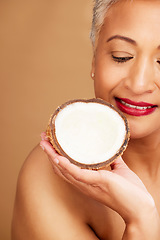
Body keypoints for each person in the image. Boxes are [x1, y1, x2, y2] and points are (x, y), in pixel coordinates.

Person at [12, 0, 160, 239]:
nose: (139, 83)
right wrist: (141, 220)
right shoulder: (48, 177)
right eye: (121, 57)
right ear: (94, 60)